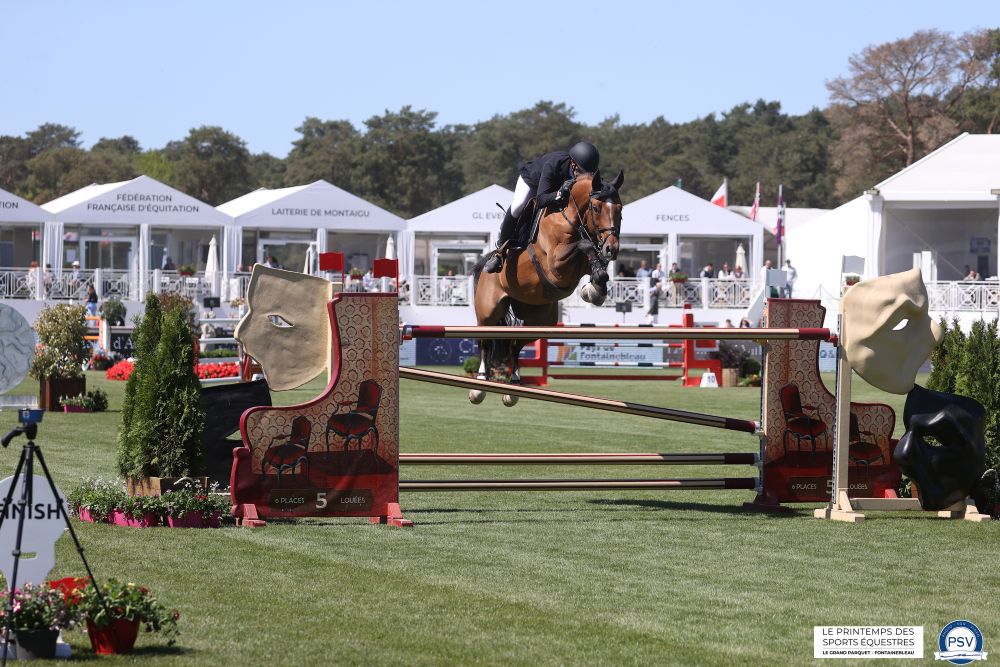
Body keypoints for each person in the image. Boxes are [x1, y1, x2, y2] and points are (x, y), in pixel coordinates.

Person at [484, 141, 601, 273]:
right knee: (518, 205)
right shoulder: (554, 164)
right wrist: (559, 193)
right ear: (573, 164)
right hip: (532, 182)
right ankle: (499, 252)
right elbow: (540, 200)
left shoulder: (588, 173)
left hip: (554, 190)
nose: (585, 178)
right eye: (582, 173)